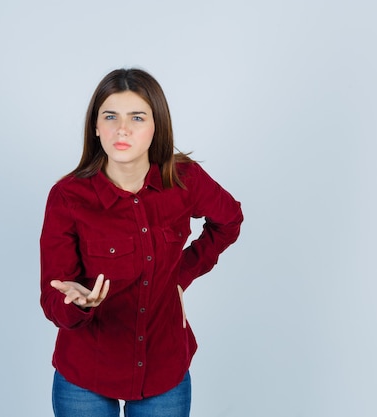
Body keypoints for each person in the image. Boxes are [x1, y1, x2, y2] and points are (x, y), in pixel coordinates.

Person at [39, 68, 243, 417]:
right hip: (86, 373)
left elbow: (229, 220)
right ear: (95, 127)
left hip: (163, 369)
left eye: (137, 117)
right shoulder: (67, 197)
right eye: (110, 116)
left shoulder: (185, 180)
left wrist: (182, 275)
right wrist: (79, 303)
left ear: (155, 126)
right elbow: (53, 299)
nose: (123, 129)